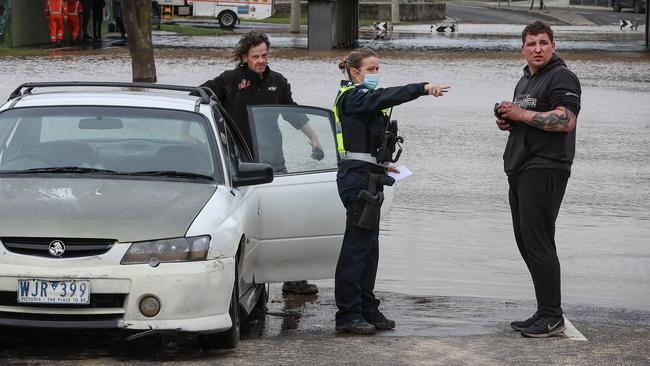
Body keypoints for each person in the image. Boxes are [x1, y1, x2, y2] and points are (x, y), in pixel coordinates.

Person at [333, 48, 450, 335]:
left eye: (377, 69)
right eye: (370, 70)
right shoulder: (352, 97)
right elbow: (383, 96)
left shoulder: (364, 98)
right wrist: (421, 88)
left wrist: (384, 165)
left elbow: (367, 140)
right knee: (356, 248)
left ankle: (367, 307)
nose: (375, 75)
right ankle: (348, 314)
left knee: (369, 248)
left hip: (370, 176)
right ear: (354, 72)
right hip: (356, 180)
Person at [197, 31, 322, 296]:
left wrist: (315, 139)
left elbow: (293, 114)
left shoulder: (278, 82)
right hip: (239, 165)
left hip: (274, 161)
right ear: (244, 57)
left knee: (289, 219)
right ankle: (246, 277)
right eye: (256, 56)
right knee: (246, 223)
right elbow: (198, 96)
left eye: (264, 55)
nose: (261, 61)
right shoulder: (229, 81)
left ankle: (294, 279)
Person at [495, 21, 581, 338]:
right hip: (519, 167)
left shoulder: (562, 76)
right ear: (523, 48)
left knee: (540, 242)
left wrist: (521, 116)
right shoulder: (526, 80)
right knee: (526, 242)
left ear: (553, 46)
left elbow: (566, 120)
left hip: (545, 167)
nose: (537, 49)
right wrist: (510, 120)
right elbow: (527, 119)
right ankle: (544, 311)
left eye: (543, 43)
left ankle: (552, 315)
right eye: (531, 44)